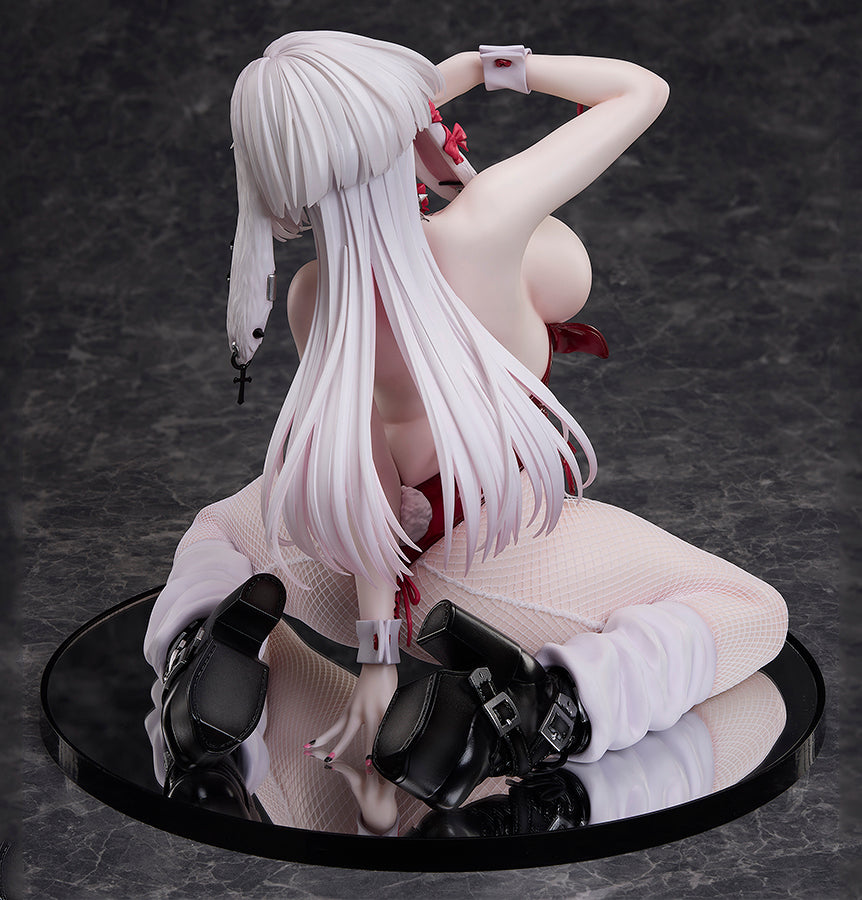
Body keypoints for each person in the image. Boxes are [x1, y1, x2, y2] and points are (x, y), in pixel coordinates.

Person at [143, 32, 787, 814]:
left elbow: (365, 482)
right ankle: (547, 707)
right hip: (491, 566)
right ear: (403, 122)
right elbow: (641, 90)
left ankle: (196, 664)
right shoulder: (488, 221)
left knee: (219, 532)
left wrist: (378, 666)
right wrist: (486, 67)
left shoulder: (317, 297)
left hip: (343, 579)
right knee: (752, 611)